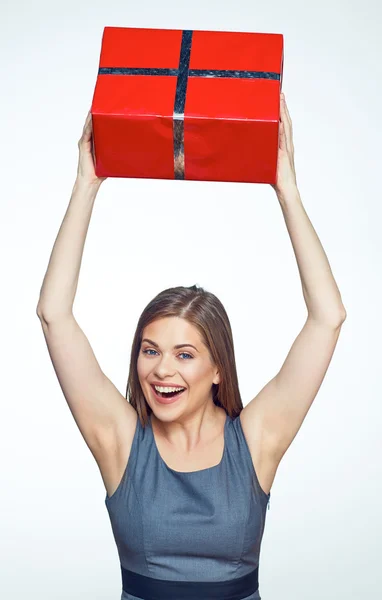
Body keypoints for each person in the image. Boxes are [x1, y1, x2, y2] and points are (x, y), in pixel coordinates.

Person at [36, 93, 347, 600]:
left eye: (185, 354)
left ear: (218, 368)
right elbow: (54, 315)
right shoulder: (120, 443)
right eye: (150, 350)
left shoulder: (256, 441)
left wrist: (286, 191)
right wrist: (86, 185)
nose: (162, 370)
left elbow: (327, 319)